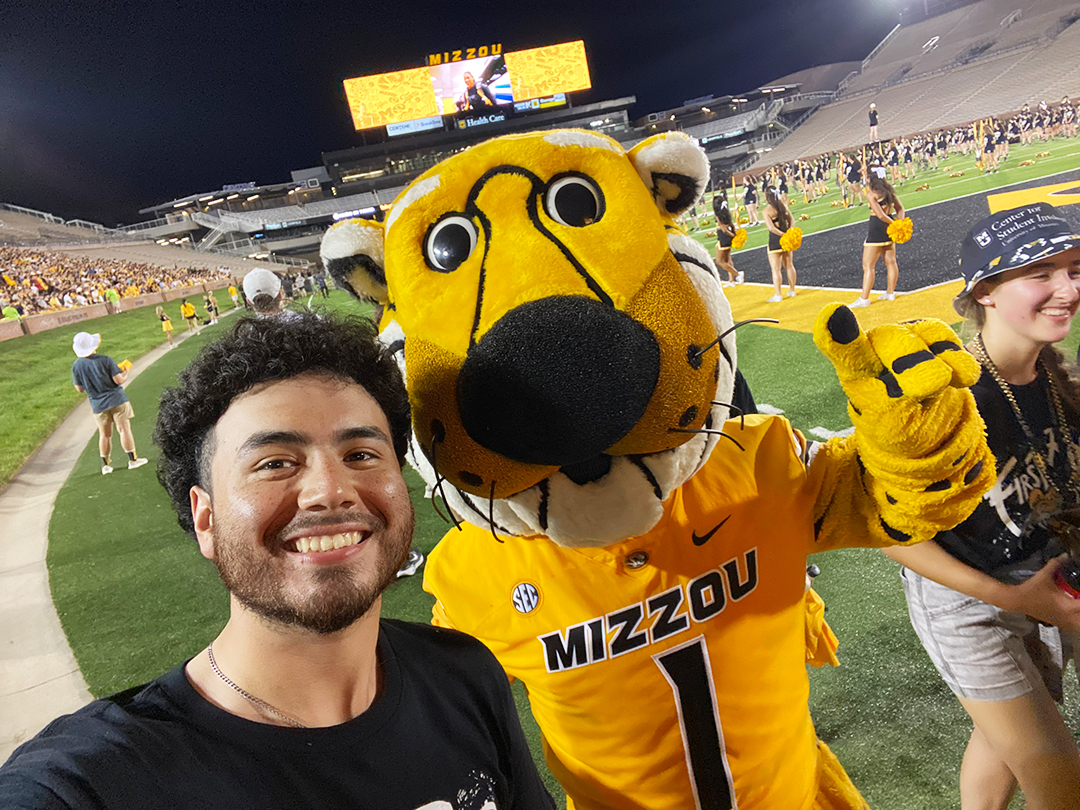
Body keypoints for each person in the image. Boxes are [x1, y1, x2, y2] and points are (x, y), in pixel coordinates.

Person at [1, 313, 554, 810]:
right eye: (275, 463)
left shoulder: (465, 674)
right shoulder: (97, 780)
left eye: (361, 454)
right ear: (206, 519)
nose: (330, 491)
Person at [883, 203, 1080, 810]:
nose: (1067, 289)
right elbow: (885, 531)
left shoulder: (1057, 381)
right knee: (1058, 776)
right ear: (986, 292)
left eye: (1074, 269)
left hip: (1043, 579)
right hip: (968, 601)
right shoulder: (946, 396)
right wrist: (1016, 599)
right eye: (1040, 274)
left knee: (1006, 739)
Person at [69, 331, 149, 475]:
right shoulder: (105, 360)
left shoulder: (76, 366)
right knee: (124, 429)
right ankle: (133, 460)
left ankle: (105, 465)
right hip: (116, 399)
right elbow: (119, 380)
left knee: (104, 434)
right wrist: (126, 372)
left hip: (98, 404)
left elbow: (79, 388)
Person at [851, 175, 904, 308]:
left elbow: (880, 215)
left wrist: (894, 225)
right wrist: (898, 224)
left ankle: (864, 298)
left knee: (868, 266)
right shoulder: (889, 191)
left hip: (877, 227)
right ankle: (890, 293)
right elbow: (900, 209)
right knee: (891, 261)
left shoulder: (871, 194)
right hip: (889, 227)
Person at [763, 185, 797, 302]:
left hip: (775, 240)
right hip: (786, 238)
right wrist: (789, 233)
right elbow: (792, 220)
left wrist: (782, 235)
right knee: (789, 265)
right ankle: (792, 290)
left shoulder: (766, 211)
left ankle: (778, 295)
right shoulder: (783, 206)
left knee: (776, 269)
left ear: (767, 196)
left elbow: (771, 228)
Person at [712, 187, 742, 285]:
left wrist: (732, 235)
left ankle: (737, 274)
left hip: (723, 238)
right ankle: (731, 280)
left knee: (720, 261)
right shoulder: (726, 212)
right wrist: (733, 234)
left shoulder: (718, 215)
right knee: (728, 259)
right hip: (726, 238)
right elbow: (732, 225)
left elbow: (724, 229)